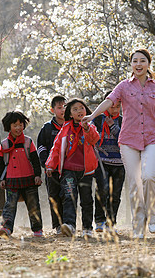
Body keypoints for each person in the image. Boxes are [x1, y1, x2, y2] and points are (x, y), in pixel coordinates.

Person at [82, 48, 155, 239]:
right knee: (135, 182)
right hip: (128, 139)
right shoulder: (124, 86)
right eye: (135, 61)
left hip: (151, 137)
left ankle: (153, 219)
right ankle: (138, 227)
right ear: (131, 65)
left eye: (142, 61)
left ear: (148, 64)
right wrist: (93, 115)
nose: (138, 64)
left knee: (149, 176)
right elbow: (108, 101)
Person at [46, 98, 100, 237]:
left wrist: (86, 127)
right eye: (75, 109)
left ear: (85, 110)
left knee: (87, 199)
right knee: (69, 196)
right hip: (68, 170)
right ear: (70, 114)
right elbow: (56, 148)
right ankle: (70, 225)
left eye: (81, 108)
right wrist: (51, 164)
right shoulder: (65, 128)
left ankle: (87, 228)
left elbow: (94, 139)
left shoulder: (90, 125)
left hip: (86, 171)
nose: (79, 111)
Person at [0, 110, 43, 238]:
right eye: (15, 125)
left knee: (33, 205)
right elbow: (0, 164)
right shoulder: (4, 144)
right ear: (8, 127)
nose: (18, 128)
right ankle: (6, 228)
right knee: (9, 205)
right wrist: (2, 179)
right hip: (11, 180)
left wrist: (38, 175)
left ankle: (37, 229)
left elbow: (35, 160)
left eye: (20, 124)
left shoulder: (28, 142)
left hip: (29, 179)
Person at [92, 91, 125, 233]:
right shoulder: (97, 119)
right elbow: (92, 137)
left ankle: (111, 223)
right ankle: (99, 221)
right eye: (112, 106)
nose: (115, 109)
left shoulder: (124, 120)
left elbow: (124, 139)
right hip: (101, 161)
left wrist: (113, 126)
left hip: (119, 162)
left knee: (115, 195)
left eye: (118, 106)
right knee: (102, 190)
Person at [37, 95, 66, 235]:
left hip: (69, 168)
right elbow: (41, 147)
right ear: (52, 110)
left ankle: (69, 223)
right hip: (51, 170)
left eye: (65, 107)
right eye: (59, 108)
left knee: (68, 195)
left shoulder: (71, 125)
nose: (62, 110)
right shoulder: (47, 128)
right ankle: (58, 225)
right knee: (54, 196)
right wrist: (46, 164)